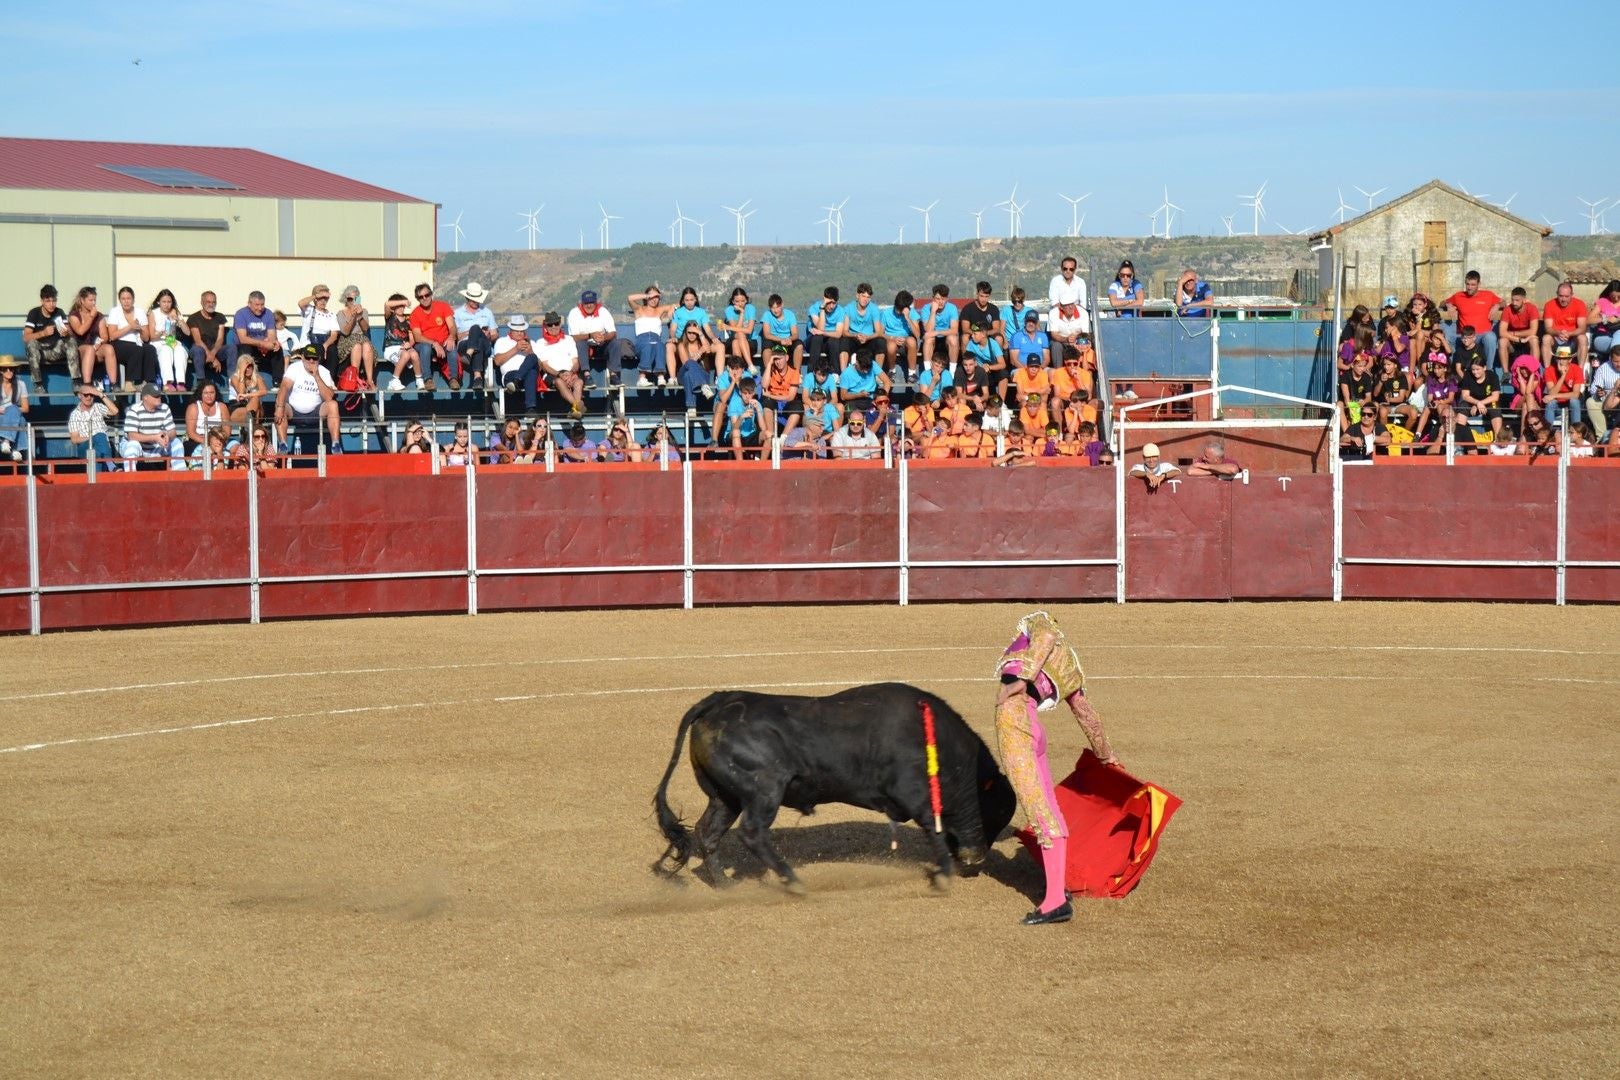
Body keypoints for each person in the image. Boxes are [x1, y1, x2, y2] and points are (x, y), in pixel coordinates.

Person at [993, 611, 1121, 925]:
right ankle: (1058, 892)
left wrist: (1021, 679)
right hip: (1033, 725)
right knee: (1049, 808)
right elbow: (1086, 714)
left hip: (1015, 723)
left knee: (1039, 811)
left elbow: (1046, 635)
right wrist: (1106, 755)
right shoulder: (1070, 669)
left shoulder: (1041, 624)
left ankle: (1054, 903)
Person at [275, 345, 342, 454]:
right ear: (302, 357)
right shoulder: (294, 368)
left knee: (333, 405)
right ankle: (283, 445)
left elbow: (329, 397)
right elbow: (284, 387)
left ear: (319, 359)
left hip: (316, 411)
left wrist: (317, 376)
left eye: (314, 358)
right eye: (308, 357)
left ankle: (336, 445)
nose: (311, 361)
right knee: (280, 403)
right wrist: (279, 407)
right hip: (293, 411)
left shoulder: (324, 371)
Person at [568, 289, 632, 388]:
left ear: (596, 302)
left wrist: (604, 337)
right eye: (586, 303)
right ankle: (586, 375)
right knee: (580, 343)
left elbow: (613, 332)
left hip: (601, 345)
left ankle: (614, 376)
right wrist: (590, 335)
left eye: (591, 303)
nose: (589, 305)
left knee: (615, 342)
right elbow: (574, 337)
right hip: (584, 347)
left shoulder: (603, 311)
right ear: (582, 303)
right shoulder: (574, 313)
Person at [1440, 270, 1503, 361]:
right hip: (1465, 336)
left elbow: (1503, 302)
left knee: (1491, 337)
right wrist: (1448, 305)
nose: (1469, 287)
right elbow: (1442, 303)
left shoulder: (1488, 295)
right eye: (1467, 284)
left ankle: (1488, 370)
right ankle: (1454, 368)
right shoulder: (1459, 296)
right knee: (1448, 337)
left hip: (1482, 336)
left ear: (1479, 284)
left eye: (1473, 285)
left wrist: (1497, 305)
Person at [120, 383, 185, 469]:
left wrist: (166, 436)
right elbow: (132, 436)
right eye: (155, 396)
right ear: (145, 397)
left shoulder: (165, 408)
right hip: (139, 446)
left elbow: (173, 432)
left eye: (159, 395)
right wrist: (155, 437)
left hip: (157, 445)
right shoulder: (134, 410)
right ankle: (130, 478)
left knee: (176, 443)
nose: (159, 397)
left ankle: (180, 476)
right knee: (133, 445)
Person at [23, 284, 77, 387]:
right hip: (40, 353)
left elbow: (70, 332)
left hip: (55, 351)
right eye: (48, 301)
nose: (52, 304)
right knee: (31, 344)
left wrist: (66, 332)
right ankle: (38, 384)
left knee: (71, 341)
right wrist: (43, 333)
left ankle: (76, 381)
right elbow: (26, 337)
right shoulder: (34, 313)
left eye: (54, 301)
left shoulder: (59, 312)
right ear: (42, 301)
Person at [534, 311, 586, 416]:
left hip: (570, 372)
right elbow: (545, 365)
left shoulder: (569, 339)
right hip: (552, 374)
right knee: (558, 382)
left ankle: (575, 411)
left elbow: (575, 362)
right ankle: (577, 405)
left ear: (560, 324)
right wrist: (559, 374)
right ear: (545, 326)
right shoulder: (540, 343)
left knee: (579, 382)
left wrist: (570, 373)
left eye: (556, 323)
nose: (553, 326)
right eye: (550, 324)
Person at [104, 286, 154, 391]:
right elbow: (112, 335)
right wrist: (130, 327)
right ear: (120, 300)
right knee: (135, 349)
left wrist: (140, 329)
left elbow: (146, 338)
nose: (126, 301)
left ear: (133, 299)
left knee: (150, 349)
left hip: (137, 342)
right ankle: (129, 382)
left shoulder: (140, 312)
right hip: (118, 343)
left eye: (128, 298)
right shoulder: (115, 311)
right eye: (123, 299)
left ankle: (147, 382)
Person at [407, 282, 456, 388]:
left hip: (443, 341)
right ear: (417, 299)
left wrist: (451, 337)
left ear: (431, 294)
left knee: (451, 346)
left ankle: (453, 379)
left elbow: (452, 326)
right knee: (425, 347)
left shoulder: (443, 306)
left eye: (427, 295)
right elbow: (417, 337)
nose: (424, 298)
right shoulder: (415, 314)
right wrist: (434, 343)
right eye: (421, 297)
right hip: (425, 343)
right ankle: (428, 379)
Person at [491, 314, 543, 413]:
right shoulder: (502, 341)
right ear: (510, 330)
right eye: (517, 330)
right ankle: (530, 408)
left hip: (526, 378)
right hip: (509, 375)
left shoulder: (532, 343)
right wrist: (516, 349)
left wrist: (530, 351)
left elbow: (540, 368)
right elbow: (497, 361)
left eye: (522, 331)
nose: (520, 333)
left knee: (532, 360)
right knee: (531, 372)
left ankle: (516, 382)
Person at [233, 290, 284, 385]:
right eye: (257, 305)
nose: (260, 308)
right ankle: (244, 381)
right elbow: (243, 338)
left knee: (278, 349)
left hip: (264, 348)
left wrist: (272, 343)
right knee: (245, 347)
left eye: (262, 304)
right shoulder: (240, 314)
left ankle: (277, 382)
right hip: (247, 348)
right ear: (249, 304)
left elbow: (272, 336)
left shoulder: (268, 313)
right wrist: (262, 343)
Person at [626, 286, 675, 385]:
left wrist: (672, 308)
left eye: (656, 297)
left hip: (656, 340)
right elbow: (630, 298)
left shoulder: (660, 310)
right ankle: (642, 378)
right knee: (648, 345)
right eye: (651, 297)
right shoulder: (639, 309)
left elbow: (678, 304)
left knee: (660, 345)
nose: (654, 299)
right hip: (642, 342)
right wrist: (648, 295)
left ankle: (661, 376)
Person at [451, 283, 496, 389]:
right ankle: (477, 378)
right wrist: (470, 333)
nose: (476, 302)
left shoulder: (487, 312)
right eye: (473, 299)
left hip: (484, 344)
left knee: (477, 332)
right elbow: (455, 336)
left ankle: (469, 355)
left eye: (478, 299)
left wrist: (489, 335)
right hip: (464, 344)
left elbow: (495, 334)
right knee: (476, 333)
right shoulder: (457, 313)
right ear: (467, 298)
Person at [186, 291, 234, 390]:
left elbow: (220, 339)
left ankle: (233, 381)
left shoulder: (220, 317)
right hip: (200, 350)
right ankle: (200, 382)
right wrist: (212, 357)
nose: (211, 304)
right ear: (202, 302)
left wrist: (212, 354)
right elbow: (198, 340)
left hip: (215, 349)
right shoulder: (193, 318)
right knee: (197, 349)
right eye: (208, 302)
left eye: (213, 302)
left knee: (231, 348)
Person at [66, 383, 119, 471]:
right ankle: (111, 465)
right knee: (99, 435)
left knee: (96, 460)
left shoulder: (98, 407)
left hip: (102, 449)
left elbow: (115, 411)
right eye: (86, 395)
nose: (89, 397)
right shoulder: (75, 415)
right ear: (80, 396)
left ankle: (106, 468)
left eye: (92, 395)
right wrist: (92, 438)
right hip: (85, 447)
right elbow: (74, 439)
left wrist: (100, 394)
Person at [380, 293, 425, 390]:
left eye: (403, 306)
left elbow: (412, 338)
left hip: (403, 347)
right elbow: (387, 304)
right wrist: (404, 301)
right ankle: (394, 380)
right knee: (406, 355)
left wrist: (410, 344)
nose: (401, 308)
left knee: (414, 354)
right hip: (391, 348)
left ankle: (419, 379)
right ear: (394, 307)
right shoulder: (390, 317)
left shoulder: (408, 320)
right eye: (398, 306)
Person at [1540, 283, 1589, 371]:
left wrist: (1570, 333)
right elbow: (1548, 328)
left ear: (1572, 295)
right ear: (1557, 294)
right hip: (1556, 339)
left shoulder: (1580, 304)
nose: (1563, 299)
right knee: (1546, 338)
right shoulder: (1549, 305)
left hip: (1573, 339)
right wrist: (1558, 333)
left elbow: (1582, 328)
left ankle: (1580, 371)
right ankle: (1547, 371)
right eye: (1561, 296)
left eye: (1566, 296)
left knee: (1583, 338)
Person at [336, 286, 377, 390]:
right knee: (357, 346)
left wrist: (359, 316)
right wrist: (353, 317)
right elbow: (345, 332)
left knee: (367, 345)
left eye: (355, 298)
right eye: (350, 299)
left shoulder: (364, 312)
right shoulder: (340, 313)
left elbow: (365, 329)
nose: (352, 302)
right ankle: (356, 380)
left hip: (362, 339)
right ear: (345, 300)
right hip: (347, 340)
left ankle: (369, 380)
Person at [295, 284, 341, 374]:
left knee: (333, 350)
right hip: (309, 344)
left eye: (325, 298)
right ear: (315, 299)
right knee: (316, 350)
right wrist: (315, 295)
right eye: (321, 298)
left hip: (324, 343)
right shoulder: (309, 310)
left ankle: (329, 380)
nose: (323, 301)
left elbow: (334, 335)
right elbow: (301, 303)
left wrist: (325, 346)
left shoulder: (331, 315)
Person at [717, 287, 760, 372]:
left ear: (746, 300)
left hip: (751, 341)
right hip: (733, 339)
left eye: (742, 301)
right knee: (738, 336)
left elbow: (749, 331)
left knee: (736, 341)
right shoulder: (729, 310)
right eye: (737, 301)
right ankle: (750, 365)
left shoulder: (751, 308)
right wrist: (741, 313)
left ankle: (738, 370)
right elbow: (736, 331)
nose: (740, 304)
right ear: (733, 301)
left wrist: (728, 327)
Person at [1497, 286, 1540, 370]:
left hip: (1527, 342)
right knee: (1502, 341)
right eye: (1512, 300)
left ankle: (1534, 370)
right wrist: (1518, 339)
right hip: (1513, 343)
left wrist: (1514, 333)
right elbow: (1502, 332)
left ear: (1524, 300)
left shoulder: (1532, 308)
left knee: (1534, 340)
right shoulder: (1507, 309)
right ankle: (1505, 373)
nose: (1514, 303)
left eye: (1517, 300)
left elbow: (1533, 331)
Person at [919, 284, 960, 370]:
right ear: (933, 298)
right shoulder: (926, 309)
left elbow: (954, 330)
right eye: (938, 299)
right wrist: (933, 311)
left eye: (943, 299)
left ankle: (952, 373)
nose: (941, 301)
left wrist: (937, 332)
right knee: (929, 338)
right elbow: (928, 330)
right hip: (932, 339)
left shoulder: (952, 308)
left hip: (946, 339)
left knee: (953, 339)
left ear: (947, 299)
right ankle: (927, 372)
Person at [805, 286, 847, 371]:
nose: (831, 306)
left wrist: (823, 333)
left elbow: (838, 334)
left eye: (834, 303)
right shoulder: (814, 308)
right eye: (829, 303)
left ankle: (835, 373)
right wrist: (822, 309)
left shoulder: (840, 311)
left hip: (829, 341)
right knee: (817, 338)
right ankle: (811, 372)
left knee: (834, 341)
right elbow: (820, 327)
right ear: (824, 299)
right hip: (813, 342)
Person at [881, 290, 919, 380]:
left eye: (901, 309)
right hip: (891, 339)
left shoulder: (912, 313)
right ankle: (892, 372)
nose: (898, 311)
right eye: (897, 307)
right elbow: (880, 333)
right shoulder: (886, 313)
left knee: (912, 341)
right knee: (891, 345)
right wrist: (892, 338)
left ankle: (912, 374)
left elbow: (917, 334)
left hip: (906, 340)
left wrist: (908, 318)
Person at [1586, 346, 1620, 442]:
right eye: (1616, 361)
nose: (1619, 364)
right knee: (1590, 402)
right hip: (1607, 400)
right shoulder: (1603, 368)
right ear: (1610, 358)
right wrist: (1598, 393)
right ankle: (1601, 437)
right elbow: (1593, 389)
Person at [0, 355, 29, 461]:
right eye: (5, 369)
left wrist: (11, 410)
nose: (9, 371)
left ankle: (6, 442)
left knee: (16, 412)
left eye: (11, 368)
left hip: (12, 416)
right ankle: (16, 449)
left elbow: (25, 408)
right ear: (1, 371)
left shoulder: (21, 384)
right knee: (20, 419)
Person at [228, 354, 268, 428]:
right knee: (253, 406)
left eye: (249, 367)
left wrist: (248, 395)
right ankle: (255, 429)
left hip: (256, 409)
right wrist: (242, 375)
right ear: (240, 368)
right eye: (245, 367)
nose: (247, 369)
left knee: (255, 400)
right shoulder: (234, 378)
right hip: (238, 407)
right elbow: (241, 393)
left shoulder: (257, 377)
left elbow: (264, 391)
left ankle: (251, 430)